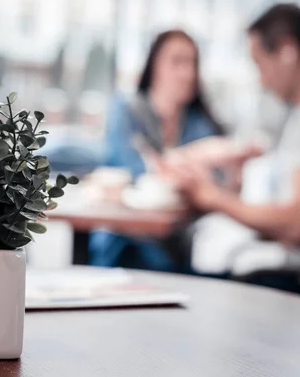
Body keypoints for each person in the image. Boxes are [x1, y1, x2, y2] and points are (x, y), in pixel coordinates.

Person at [164, 4, 300, 316]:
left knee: (190, 294)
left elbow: (297, 226)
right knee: (195, 281)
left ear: (287, 51)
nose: (262, 80)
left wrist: (215, 197)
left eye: (260, 63)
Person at [89, 30, 257, 272]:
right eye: (177, 62)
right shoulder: (127, 111)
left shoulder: (202, 123)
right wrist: (197, 158)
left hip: (183, 243)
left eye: (193, 63)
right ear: (154, 65)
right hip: (127, 238)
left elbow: (217, 186)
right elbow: (130, 170)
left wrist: (174, 169)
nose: (188, 73)